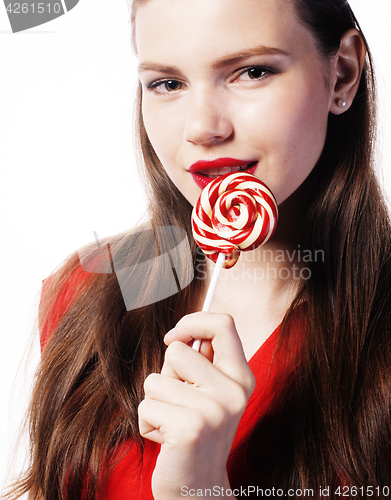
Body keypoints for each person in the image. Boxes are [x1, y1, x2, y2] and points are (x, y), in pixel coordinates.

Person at [6, 0, 391, 498]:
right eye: (167, 84)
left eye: (252, 72)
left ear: (341, 75)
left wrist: (201, 488)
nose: (202, 128)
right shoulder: (87, 289)